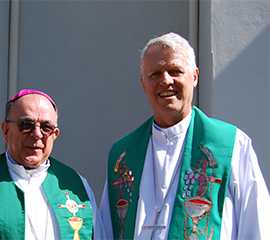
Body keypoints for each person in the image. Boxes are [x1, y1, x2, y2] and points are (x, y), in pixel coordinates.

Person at [100, 33, 270, 240]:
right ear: (144, 84)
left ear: (195, 77)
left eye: (175, 71)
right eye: (155, 74)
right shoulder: (123, 154)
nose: (166, 81)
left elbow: (258, 227)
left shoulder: (233, 145)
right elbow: (107, 232)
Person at [0, 89, 107, 240]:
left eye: (46, 127)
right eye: (26, 124)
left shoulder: (77, 188)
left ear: (55, 135)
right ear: (6, 130)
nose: (37, 134)